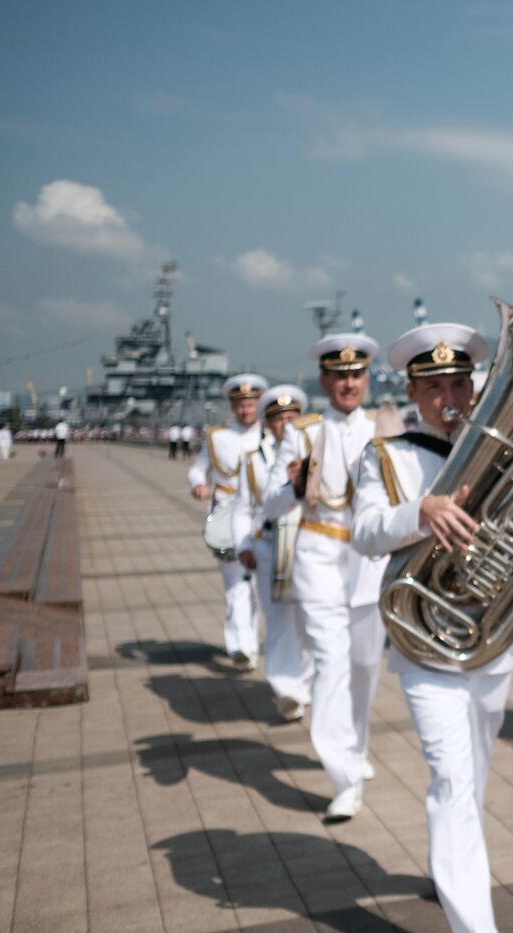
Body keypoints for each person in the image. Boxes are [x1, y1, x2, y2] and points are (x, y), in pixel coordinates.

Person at [352, 323, 513, 933]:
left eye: (459, 383)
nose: (450, 396)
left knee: (469, 779)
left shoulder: (507, 454)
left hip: (492, 642)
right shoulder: (387, 456)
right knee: (451, 779)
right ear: (415, 394)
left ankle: (448, 863)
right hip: (425, 645)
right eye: (436, 386)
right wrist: (417, 512)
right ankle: (475, 922)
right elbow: (366, 532)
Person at [261, 334, 385, 821]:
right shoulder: (302, 432)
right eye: (339, 375)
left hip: (369, 562)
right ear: (325, 380)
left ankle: (355, 748)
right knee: (332, 666)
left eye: (356, 375)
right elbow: (268, 504)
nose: (348, 383)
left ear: (366, 379)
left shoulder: (385, 427)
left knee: (364, 667)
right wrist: (293, 482)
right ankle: (344, 776)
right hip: (317, 556)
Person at [233, 385, 315, 722]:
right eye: (278, 418)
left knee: (308, 621)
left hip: (307, 546)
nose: (285, 423)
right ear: (268, 423)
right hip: (268, 547)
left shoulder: (314, 453)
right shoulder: (254, 461)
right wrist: (244, 545)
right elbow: (242, 509)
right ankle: (287, 689)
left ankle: (304, 683)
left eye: (291, 417)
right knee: (280, 621)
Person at [188, 374, 267, 671]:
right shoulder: (217, 437)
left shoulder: (271, 436)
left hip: (262, 518)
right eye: (240, 405)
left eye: (250, 404)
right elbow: (198, 470)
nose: (245, 410)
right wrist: (198, 485)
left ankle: (253, 643)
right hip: (227, 519)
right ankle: (241, 647)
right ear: (233, 406)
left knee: (260, 586)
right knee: (235, 585)